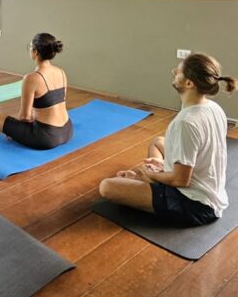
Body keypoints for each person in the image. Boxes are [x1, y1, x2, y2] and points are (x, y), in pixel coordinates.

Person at [99, 53, 236, 227]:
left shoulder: (185, 122)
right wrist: (162, 168)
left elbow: (181, 181)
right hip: (206, 188)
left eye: (178, 71)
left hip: (194, 204)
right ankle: (153, 179)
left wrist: (150, 174)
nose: (173, 72)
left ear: (189, 83)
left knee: (107, 187)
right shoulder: (214, 108)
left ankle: (150, 181)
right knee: (158, 141)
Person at [0, 33, 73, 149]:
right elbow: (57, 102)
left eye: (30, 47)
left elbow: (25, 116)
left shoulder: (31, 78)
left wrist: (14, 131)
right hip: (68, 130)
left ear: (35, 52)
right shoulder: (61, 72)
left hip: (47, 137)